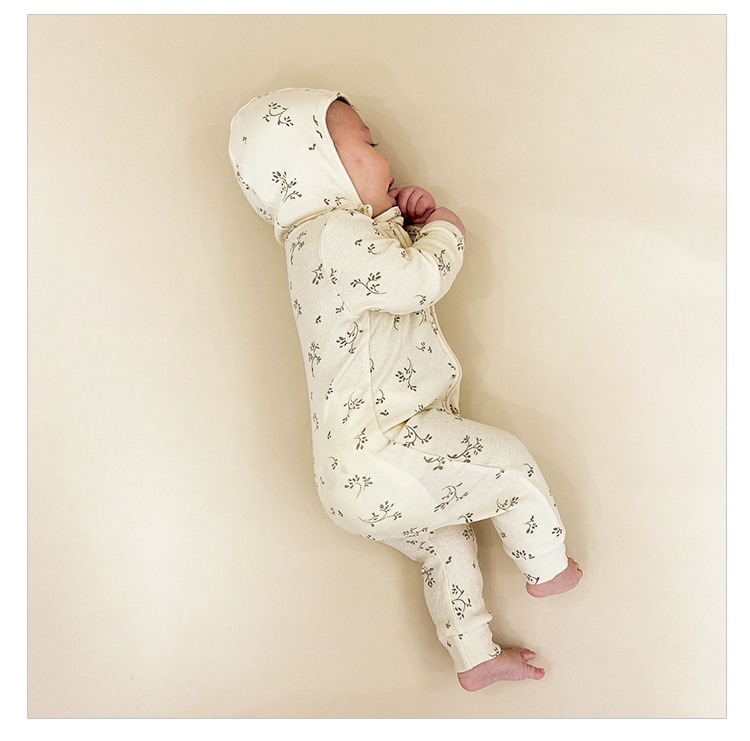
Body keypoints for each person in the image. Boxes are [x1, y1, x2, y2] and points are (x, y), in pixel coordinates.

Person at [228, 88, 582, 691]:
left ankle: (474, 656)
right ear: (319, 164)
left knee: (446, 542)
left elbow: (378, 282)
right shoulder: (332, 234)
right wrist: (443, 231)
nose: (384, 156)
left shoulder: (317, 246)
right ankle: (546, 567)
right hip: (384, 450)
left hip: (355, 478)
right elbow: (415, 281)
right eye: (369, 144)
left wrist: (397, 222)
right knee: (508, 463)